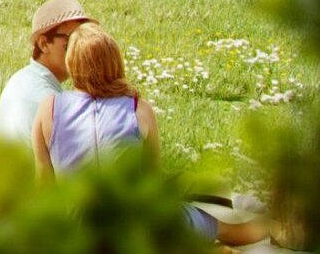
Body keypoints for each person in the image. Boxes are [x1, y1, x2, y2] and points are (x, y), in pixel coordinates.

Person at [31, 24, 272, 247]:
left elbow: (45, 189)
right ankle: (272, 227)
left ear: (72, 64)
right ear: (114, 62)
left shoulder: (48, 109)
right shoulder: (138, 109)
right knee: (216, 226)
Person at [0, 0, 93, 145]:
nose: (79, 50)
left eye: (82, 41)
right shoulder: (51, 103)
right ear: (44, 44)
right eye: (70, 42)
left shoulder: (20, 79)